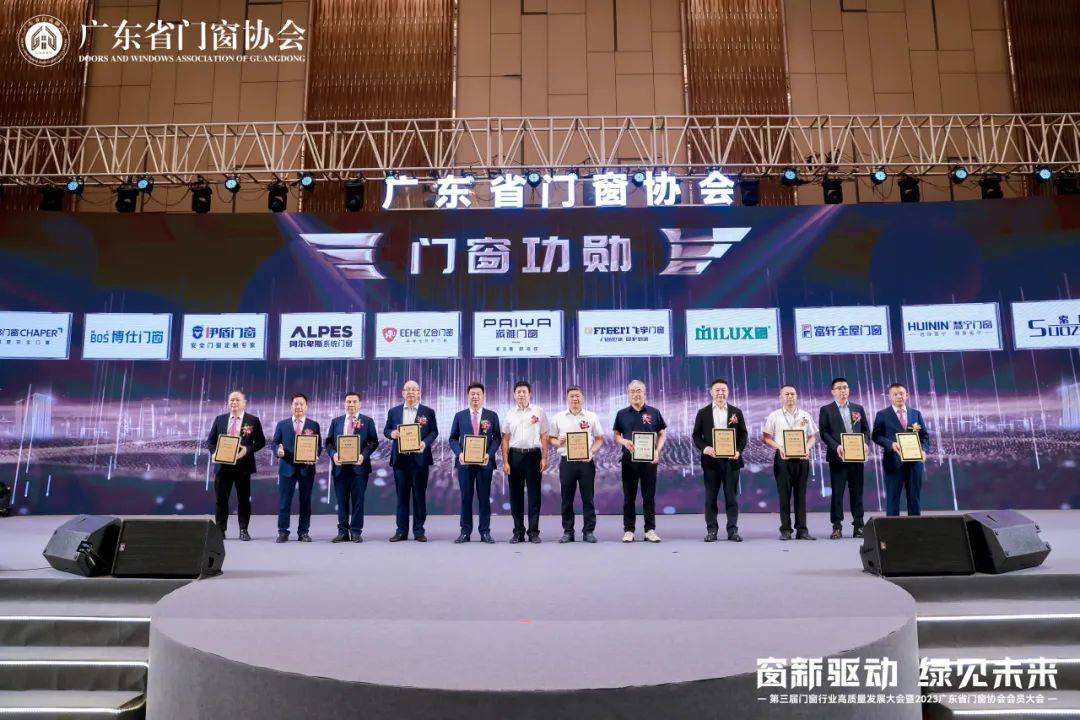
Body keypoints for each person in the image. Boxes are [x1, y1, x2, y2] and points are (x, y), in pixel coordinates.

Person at [691, 378, 748, 542]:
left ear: (728, 392)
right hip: (711, 462)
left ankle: (733, 531)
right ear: (711, 392)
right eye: (717, 390)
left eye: (723, 390)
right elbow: (696, 435)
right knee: (711, 498)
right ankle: (711, 531)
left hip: (732, 461)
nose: (720, 393)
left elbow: (743, 434)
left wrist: (738, 450)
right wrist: (705, 448)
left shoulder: (736, 412)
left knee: (732, 498)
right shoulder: (703, 412)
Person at [612, 380, 667, 543]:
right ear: (628, 394)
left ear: (645, 393)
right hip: (629, 461)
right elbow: (616, 435)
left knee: (649, 497)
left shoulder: (654, 412)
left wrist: (657, 450)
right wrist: (624, 442)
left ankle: (650, 530)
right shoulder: (622, 414)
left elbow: (662, 433)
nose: (636, 394)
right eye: (632, 391)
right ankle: (629, 530)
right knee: (629, 497)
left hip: (649, 462)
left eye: (639, 391)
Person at [206, 390, 265, 540]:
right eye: (231, 400)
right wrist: (214, 452)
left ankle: (243, 530)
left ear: (244, 403)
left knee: (243, 500)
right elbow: (210, 441)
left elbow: (261, 442)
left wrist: (247, 450)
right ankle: (220, 530)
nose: (234, 402)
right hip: (222, 467)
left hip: (243, 467)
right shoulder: (220, 419)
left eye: (237, 400)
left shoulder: (253, 420)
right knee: (221, 500)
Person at [383, 380, 438, 542]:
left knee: (419, 497)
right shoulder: (394, 411)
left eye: (414, 389)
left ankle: (419, 531)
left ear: (419, 393)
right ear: (402, 393)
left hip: (420, 460)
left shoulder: (428, 412)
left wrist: (425, 443)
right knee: (402, 497)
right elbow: (386, 430)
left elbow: (434, 432)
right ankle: (401, 531)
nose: (411, 392)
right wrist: (392, 434)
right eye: (407, 389)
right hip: (400, 460)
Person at [548, 385, 604, 543]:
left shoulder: (591, 416)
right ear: (567, 398)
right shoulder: (558, 417)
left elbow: (599, 439)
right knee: (567, 499)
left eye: (578, 395)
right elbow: (551, 439)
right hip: (567, 462)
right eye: (572, 396)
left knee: (588, 498)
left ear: (583, 398)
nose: (575, 398)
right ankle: (568, 532)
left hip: (586, 462)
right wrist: (558, 442)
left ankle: (589, 531)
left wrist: (591, 452)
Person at [762, 384, 818, 541]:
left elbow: (813, 436)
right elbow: (766, 437)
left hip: (802, 459)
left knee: (801, 495)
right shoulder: (774, 415)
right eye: (786, 394)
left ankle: (802, 530)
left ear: (797, 396)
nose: (790, 396)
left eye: (792, 393)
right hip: (783, 459)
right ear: (780, 397)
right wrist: (780, 447)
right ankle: (785, 530)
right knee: (784, 495)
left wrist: (807, 448)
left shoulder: (805, 415)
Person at [818, 377, 872, 539]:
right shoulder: (826, 410)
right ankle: (837, 526)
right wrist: (836, 447)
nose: (843, 391)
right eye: (839, 388)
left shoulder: (858, 408)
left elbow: (866, 430)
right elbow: (824, 432)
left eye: (845, 387)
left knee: (857, 492)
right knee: (837, 493)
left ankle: (859, 526)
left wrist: (865, 443)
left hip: (856, 458)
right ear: (833, 391)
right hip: (838, 458)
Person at [448, 383, 502, 544]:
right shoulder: (460, 416)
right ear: (468, 396)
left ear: (483, 396)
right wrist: (459, 453)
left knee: (484, 498)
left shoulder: (492, 415)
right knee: (466, 498)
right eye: (472, 394)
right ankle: (465, 532)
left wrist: (489, 454)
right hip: (465, 464)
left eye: (478, 394)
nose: (475, 396)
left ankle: (485, 532)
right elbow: (453, 438)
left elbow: (497, 438)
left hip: (485, 463)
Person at [325, 391, 379, 543]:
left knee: (358, 501)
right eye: (348, 401)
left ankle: (355, 531)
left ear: (359, 404)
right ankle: (342, 532)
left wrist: (363, 455)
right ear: (344, 403)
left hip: (359, 468)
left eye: (354, 401)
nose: (351, 404)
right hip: (340, 468)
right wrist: (333, 455)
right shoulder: (336, 422)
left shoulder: (367, 421)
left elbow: (373, 442)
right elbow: (328, 442)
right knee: (341, 502)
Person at [501, 381, 549, 544]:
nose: (521, 394)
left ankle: (533, 532)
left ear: (530, 394)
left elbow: (544, 435)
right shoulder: (509, 414)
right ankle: (518, 532)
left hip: (533, 455)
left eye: (524, 392)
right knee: (515, 495)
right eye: (518, 392)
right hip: (515, 456)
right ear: (514, 395)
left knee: (534, 495)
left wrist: (544, 457)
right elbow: (505, 438)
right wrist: (505, 461)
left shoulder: (539, 411)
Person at [872, 382, 930, 516]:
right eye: (895, 394)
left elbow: (925, 436)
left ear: (907, 395)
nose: (899, 396)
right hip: (893, 462)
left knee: (914, 498)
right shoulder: (882, 414)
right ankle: (892, 528)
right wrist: (890, 444)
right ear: (889, 397)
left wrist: (923, 450)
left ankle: (915, 527)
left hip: (915, 463)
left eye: (901, 393)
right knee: (893, 499)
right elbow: (876, 436)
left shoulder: (916, 414)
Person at [272, 393, 322, 543]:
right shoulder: (282, 424)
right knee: (284, 502)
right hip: (287, 468)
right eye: (296, 404)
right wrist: (278, 450)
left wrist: (315, 455)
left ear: (306, 407)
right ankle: (283, 531)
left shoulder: (314, 425)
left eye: (301, 404)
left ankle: (303, 532)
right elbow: (275, 443)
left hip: (307, 469)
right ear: (291, 406)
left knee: (305, 502)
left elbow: (318, 446)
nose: (298, 406)